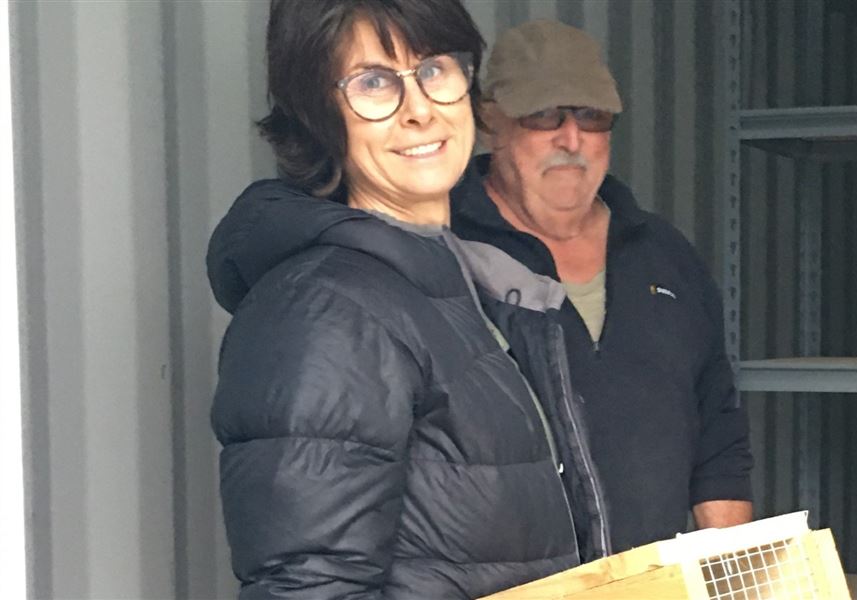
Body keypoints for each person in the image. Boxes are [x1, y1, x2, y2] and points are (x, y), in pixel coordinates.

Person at [206, 3, 608, 598]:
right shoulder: (327, 310)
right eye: (373, 82)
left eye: (435, 69)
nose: (419, 109)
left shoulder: (458, 285)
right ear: (318, 114)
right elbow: (311, 589)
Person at [450, 20, 755, 552]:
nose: (572, 139)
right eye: (544, 114)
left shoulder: (664, 254)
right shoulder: (444, 252)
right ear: (491, 121)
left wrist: (732, 576)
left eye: (592, 116)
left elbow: (718, 437)